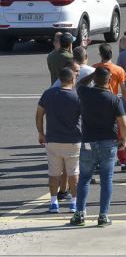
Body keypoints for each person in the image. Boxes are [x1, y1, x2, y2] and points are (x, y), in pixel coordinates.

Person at [70, 67, 126, 227]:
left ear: (95, 79)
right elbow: (123, 123)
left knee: (84, 178)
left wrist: (92, 75)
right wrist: (124, 140)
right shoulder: (113, 99)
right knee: (106, 178)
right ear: (109, 81)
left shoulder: (86, 93)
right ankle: (103, 215)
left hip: (88, 141)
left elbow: (80, 84)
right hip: (108, 142)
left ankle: (79, 213)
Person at [36, 67, 82, 214]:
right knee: (73, 173)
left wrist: (41, 133)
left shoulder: (48, 94)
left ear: (60, 79)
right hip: (73, 140)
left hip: (53, 139)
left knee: (53, 173)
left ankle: (53, 202)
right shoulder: (77, 96)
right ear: (72, 80)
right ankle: (74, 203)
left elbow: (39, 114)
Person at [93, 43, 126, 171]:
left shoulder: (95, 68)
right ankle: (123, 161)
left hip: (97, 103)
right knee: (119, 132)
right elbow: (124, 90)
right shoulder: (118, 70)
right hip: (113, 103)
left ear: (100, 54)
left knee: (99, 133)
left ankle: (99, 160)